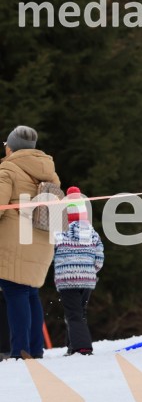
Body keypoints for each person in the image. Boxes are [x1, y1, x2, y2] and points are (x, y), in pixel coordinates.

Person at [0, 126, 60, 359]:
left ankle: (20, 352)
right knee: (30, 293)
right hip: (42, 238)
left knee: (15, 294)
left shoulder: (8, 168)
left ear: (12, 147)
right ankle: (34, 350)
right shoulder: (49, 171)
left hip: (14, 242)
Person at [54, 186, 104, 355]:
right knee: (79, 313)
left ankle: (82, 347)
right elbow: (99, 256)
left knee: (73, 314)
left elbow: (51, 252)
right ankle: (73, 346)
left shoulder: (60, 232)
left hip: (67, 279)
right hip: (87, 280)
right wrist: (91, 270)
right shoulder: (92, 232)